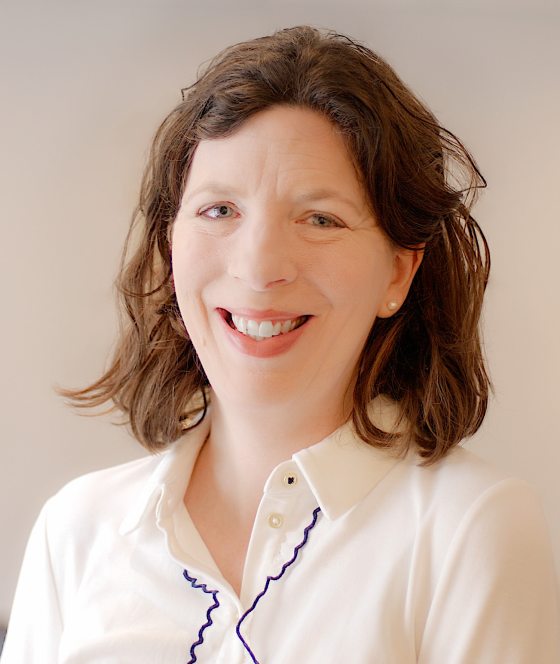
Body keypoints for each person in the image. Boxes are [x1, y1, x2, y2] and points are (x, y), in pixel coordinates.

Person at [2, 25, 559, 664]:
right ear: (170, 244)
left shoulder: (472, 528)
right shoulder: (76, 530)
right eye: (220, 210)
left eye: (320, 218)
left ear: (399, 272)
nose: (260, 267)